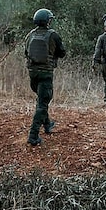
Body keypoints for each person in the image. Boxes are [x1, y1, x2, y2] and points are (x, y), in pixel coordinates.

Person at [23, 8, 66, 146]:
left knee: (42, 100)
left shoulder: (30, 35)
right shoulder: (53, 35)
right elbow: (62, 52)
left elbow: (26, 52)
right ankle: (33, 135)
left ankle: (47, 124)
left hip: (32, 74)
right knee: (42, 103)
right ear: (47, 21)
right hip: (45, 74)